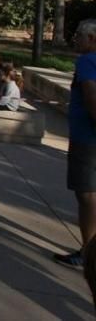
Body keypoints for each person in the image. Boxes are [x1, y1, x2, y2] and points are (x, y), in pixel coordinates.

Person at [54, 19, 96, 268]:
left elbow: (91, 95)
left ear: (92, 39)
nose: (76, 39)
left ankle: (88, 254)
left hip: (87, 140)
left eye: (79, 35)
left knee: (87, 195)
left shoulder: (87, 61)